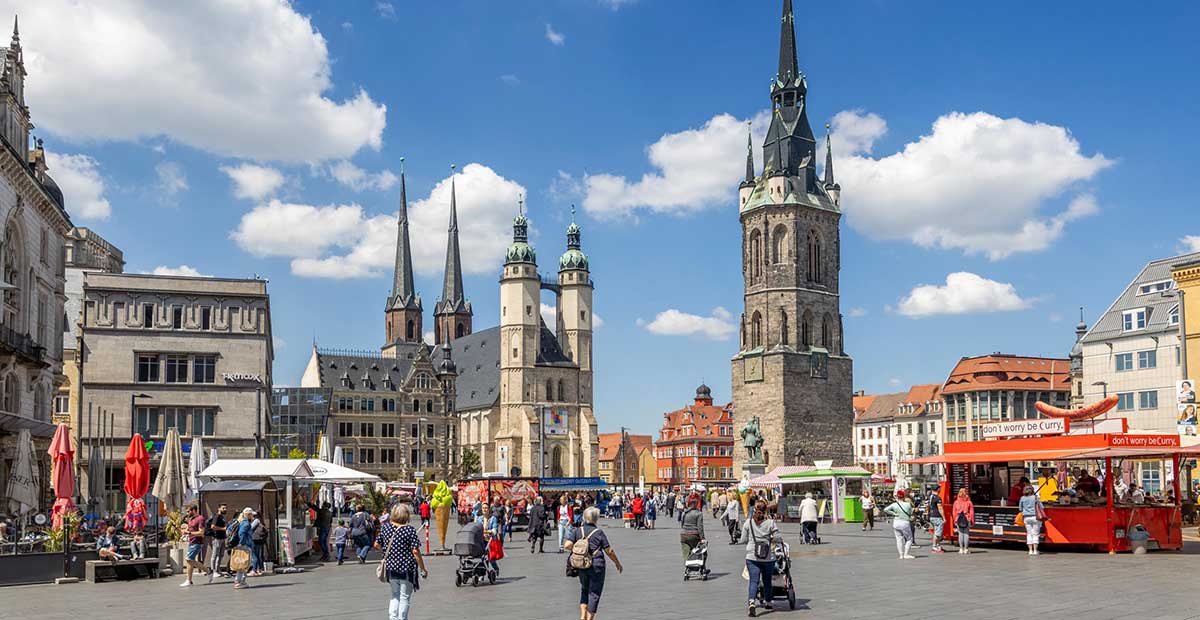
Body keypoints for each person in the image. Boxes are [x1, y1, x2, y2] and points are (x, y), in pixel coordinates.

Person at [566, 506, 623, 620]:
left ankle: (583, 616)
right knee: (594, 592)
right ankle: (590, 618)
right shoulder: (598, 533)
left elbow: (567, 544)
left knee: (584, 589)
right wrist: (617, 563)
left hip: (581, 564)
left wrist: (578, 551)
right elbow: (609, 551)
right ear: (596, 519)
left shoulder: (578, 530)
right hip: (596, 565)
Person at [377, 503, 428, 620]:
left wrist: (389, 550)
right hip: (406, 568)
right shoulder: (409, 530)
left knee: (395, 595)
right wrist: (423, 569)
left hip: (390, 567)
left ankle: (393, 618)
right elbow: (415, 551)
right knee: (404, 597)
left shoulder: (386, 527)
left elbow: (376, 544)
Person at [739, 500, 781, 617]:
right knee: (767, 580)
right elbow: (778, 538)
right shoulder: (771, 523)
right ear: (765, 510)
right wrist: (771, 538)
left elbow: (743, 540)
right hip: (768, 557)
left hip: (752, 557)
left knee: (754, 581)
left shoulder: (748, 523)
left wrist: (752, 540)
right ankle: (768, 602)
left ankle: (752, 603)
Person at [883, 489, 916, 559]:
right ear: (903, 496)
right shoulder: (907, 504)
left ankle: (901, 555)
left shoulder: (894, 504)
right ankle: (906, 554)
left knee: (899, 539)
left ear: (897, 497)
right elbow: (910, 513)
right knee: (909, 539)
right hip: (905, 523)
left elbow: (885, 509)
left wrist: (894, 513)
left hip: (896, 523)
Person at [181, 504, 207, 587]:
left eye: (188, 511)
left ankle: (208, 571)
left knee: (189, 559)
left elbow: (201, 533)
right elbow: (189, 529)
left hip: (197, 542)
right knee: (189, 562)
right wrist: (184, 531)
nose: (187, 513)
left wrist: (189, 533)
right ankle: (189, 580)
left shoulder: (200, 519)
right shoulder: (191, 519)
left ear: (194, 510)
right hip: (191, 542)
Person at [1018, 484, 1044, 555]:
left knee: (1029, 534)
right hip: (1035, 517)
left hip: (1026, 518)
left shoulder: (1022, 498)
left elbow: (1020, 509)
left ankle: (1030, 551)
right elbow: (1042, 507)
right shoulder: (1035, 497)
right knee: (1035, 534)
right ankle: (1035, 551)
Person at [233, 507, 255, 589]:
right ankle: (240, 581)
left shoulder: (241, 522)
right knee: (245, 564)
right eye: (251, 514)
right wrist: (242, 543)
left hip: (243, 545)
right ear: (248, 514)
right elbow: (242, 533)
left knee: (242, 564)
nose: (252, 516)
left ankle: (239, 580)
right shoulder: (246, 523)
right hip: (245, 545)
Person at [206, 503, 229, 579]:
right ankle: (213, 571)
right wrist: (223, 529)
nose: (225, 509)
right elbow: (213, 527)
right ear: (219, 509)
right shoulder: (216, 516)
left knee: (221, 554)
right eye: (223, 508)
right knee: (215, 554)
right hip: (217, 538)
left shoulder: (221, 517)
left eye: (225, 508)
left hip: (222, 538)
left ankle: (218, 569)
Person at [951, 488, 974, 554]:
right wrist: (972, 521)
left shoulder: (956, 502)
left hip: (958, 519)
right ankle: (966, 549)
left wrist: (955, 520)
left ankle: (961, 549)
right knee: (966, 534)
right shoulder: (969, 502)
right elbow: (971, 512)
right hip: (967, 519)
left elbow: (954, 512)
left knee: (960, 534)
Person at [925, 488, 945, 553]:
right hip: (937, 516)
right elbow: (940, 508)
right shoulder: (937, 498)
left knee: (936, 531)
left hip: (932, 516)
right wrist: (944, 517)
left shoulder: (930, 497)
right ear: (938, 490)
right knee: (938, 533)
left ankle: (938, 546)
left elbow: (928, 506)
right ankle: (934, 546)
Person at [249, 510, 267, 575]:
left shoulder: (256, 521)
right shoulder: (261, 521)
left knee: (254, 555)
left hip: (255, 540)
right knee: (258, 555)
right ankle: (260, 569)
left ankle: (254, 570)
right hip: (259, 540)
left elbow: (250, 528)